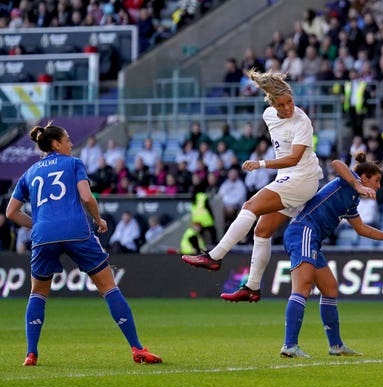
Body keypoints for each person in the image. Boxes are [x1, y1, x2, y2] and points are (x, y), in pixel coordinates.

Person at [5, 122, 161, 366]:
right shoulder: (74, 163)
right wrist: (99, 219)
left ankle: (31, 353)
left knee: (37, 293)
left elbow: (11, 212)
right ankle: (137, 349)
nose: (70, 143)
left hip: (44, 236)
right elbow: (87, 196)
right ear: (56, 143)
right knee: (109, 287)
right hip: (77, 232)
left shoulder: (30, 173)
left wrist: (38, 225)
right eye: (67, 140)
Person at [182, 69, 343, 303]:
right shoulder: (269, 115)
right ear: (272, 104)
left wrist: (261, 164)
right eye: (282, 104)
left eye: (290, 102)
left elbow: (294, 158)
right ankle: (252, 287)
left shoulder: (302, 121)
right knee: (262, 231)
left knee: (249, 207)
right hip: (288, 179)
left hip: (303, 179)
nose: (287, 108)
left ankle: (214, 256)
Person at [280, 154, 383, 357]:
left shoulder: (351, 201)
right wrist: (359, 186)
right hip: (303, 231)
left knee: (330, 288)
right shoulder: (347, 182)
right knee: (302, 287)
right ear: (364, 177)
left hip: (312, 238)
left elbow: (363, 230)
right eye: (376, 181)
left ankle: (336, 346)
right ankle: (289, 346)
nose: (378, 186)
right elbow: (335, 163)